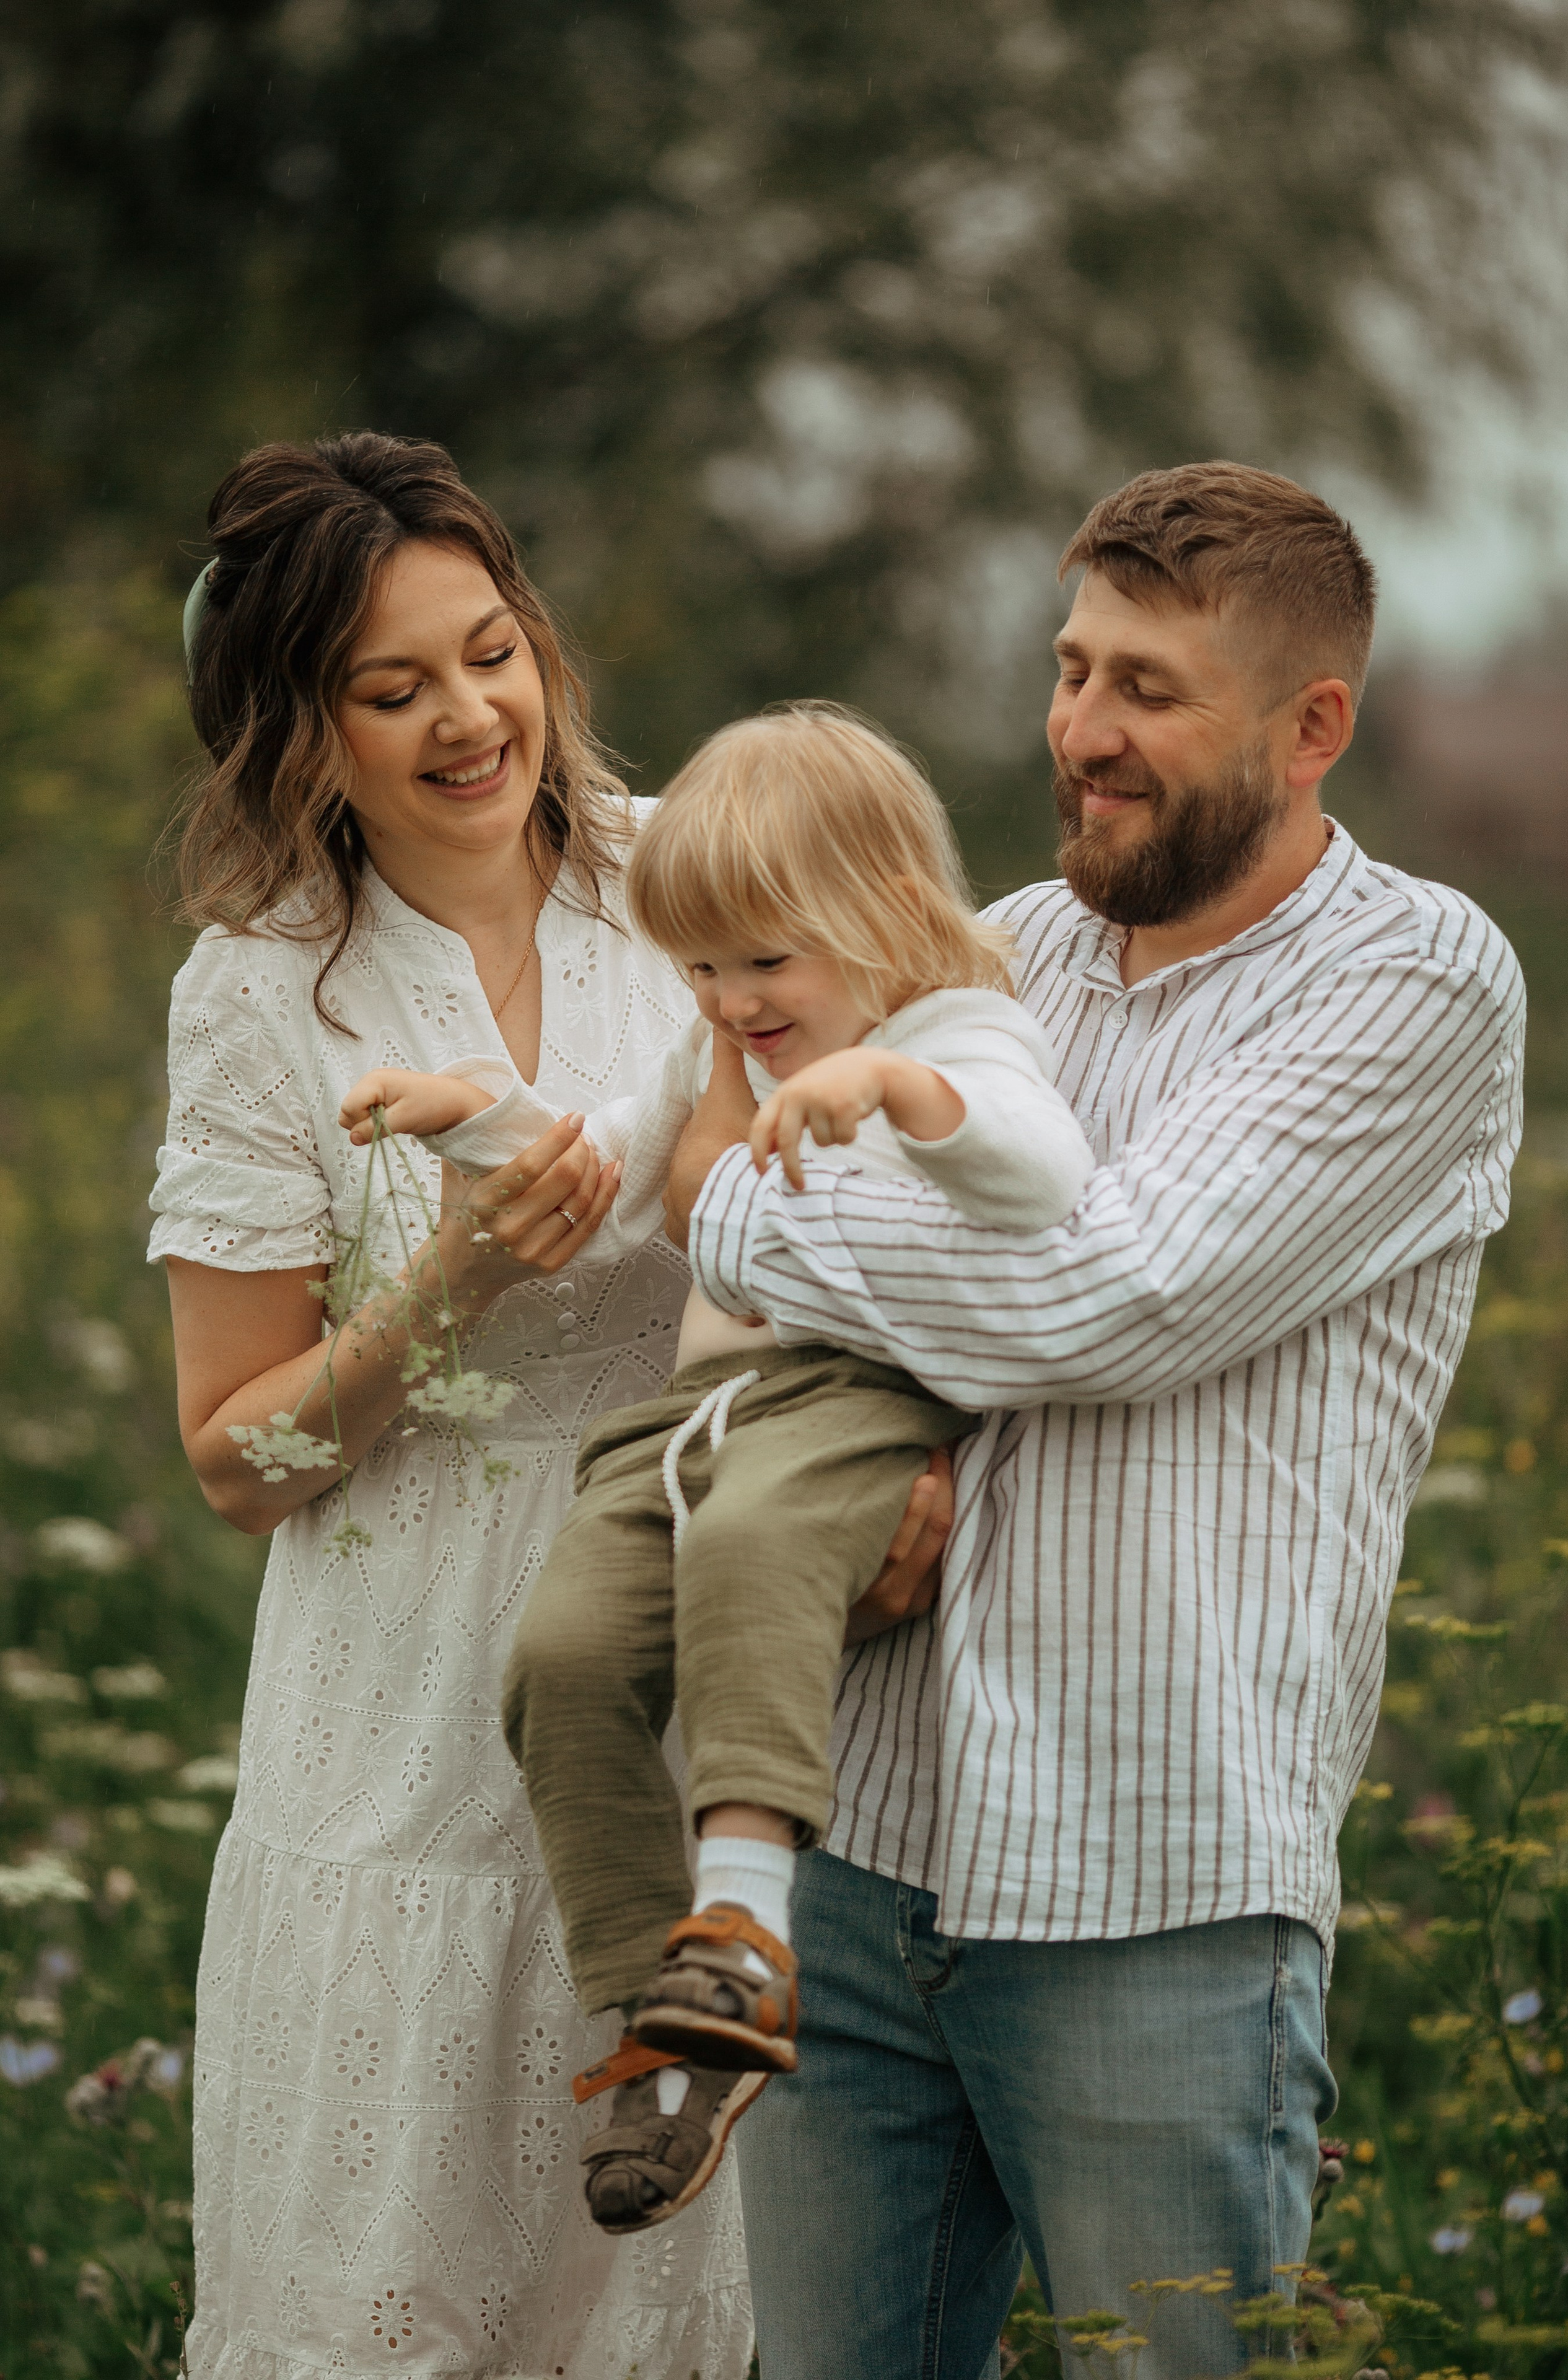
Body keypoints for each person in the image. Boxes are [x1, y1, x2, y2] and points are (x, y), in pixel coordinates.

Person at [667, 463, 1526, 2378]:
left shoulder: (1420, 978)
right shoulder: (1002, 955)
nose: (1080, 732)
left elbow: (1109, 1296)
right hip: (860, 1846)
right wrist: (766, 1218)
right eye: (1070, 671)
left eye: (1146, 686)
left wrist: (754, 1206)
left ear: (1313, 729)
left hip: (1156, 1889)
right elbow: (737, 1217)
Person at [152, 428, 796, 2380]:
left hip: (677, 1691)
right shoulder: (262, 993)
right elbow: (235, 1460)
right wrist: (457, 1273)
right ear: (299, 730)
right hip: (394, 1749)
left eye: (492, 650)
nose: (469, 717)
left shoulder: (692, 871)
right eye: (393, 685)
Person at [336, 706, 1095, 2235]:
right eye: (698, 966)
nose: (730, 1000)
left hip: (845, 1406)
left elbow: (1043, 1167)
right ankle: (663, 2022)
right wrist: (473, 1114)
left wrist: (892, 1092)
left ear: (880, 916)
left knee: (752, 1551)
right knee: (557, 1654)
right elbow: (611, 1171)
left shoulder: (954, 1030)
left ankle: (746, 1924)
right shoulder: (720, 1046)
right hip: (686, 1421)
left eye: (764, 962)